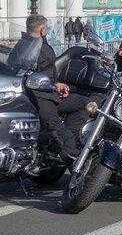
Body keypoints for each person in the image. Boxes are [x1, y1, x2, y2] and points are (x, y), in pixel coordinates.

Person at [16, 13, 88, 163]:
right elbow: (45, 76)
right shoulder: (44, 49)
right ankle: (70, 149)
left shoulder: (21, 45)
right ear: (42, 29)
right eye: (46, 28)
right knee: (82, 105)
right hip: (42, 96)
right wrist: (55, 86)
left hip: (28, 93)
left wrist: (56, 85)